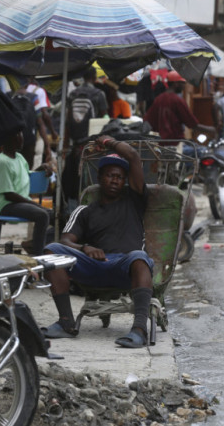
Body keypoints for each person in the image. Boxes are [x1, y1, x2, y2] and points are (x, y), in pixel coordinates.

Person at [42, 136, 154, 348]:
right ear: (100, 177)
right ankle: (66, 323)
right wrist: (85, 247)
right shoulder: (85, 210)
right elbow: (65, 240)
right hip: (94, 265)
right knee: (52, 252)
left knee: (140, 258)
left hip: (125, 266)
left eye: (120, 177)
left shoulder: (134, 199)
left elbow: (132, 156)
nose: (115, 180)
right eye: (110, 176)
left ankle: (139, 329)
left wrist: (107, 141)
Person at [0, 130, 53, 255]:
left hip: (20, 203)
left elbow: (26, 176)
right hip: (7, 205)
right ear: (8, 139)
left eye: (21, 135)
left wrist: (41, 168)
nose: (21, 139)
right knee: (42, 215)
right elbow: (8, 194)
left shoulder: (19, 157)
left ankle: (34, 244)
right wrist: (33, 204)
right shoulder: (3, 161)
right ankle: (38, 256)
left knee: (58, 217)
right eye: (17, 135)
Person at [144, 70, 216, 141]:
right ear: (176, 83)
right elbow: (192, 124)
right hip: (175, 142)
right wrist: (211, 129)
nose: (185, 85)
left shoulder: (159, 99)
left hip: (161, 142)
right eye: (183, 83)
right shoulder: (177, 100)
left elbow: (147, 119)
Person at [26, 77, 58, 163]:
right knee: (36, 159)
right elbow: (44, 115)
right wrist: (52, 132)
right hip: (35, 133)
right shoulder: (39, 91)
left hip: (20, 133)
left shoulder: (17, 89)